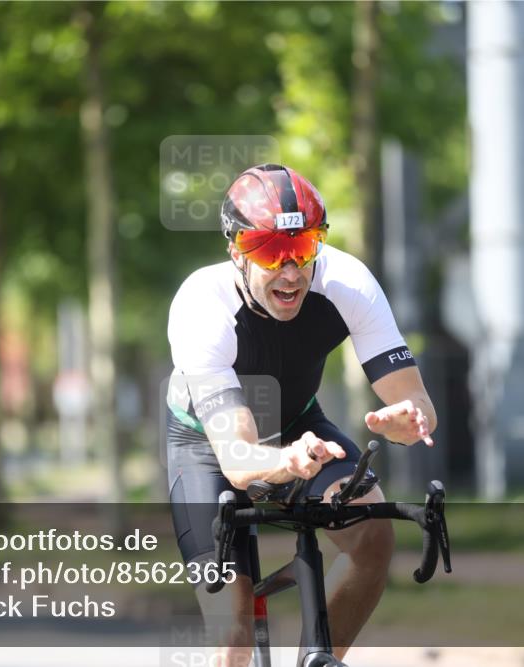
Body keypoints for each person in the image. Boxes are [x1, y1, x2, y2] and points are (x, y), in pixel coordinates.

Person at [166, 164, 437, 666]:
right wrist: (287, 461)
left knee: (373, 535)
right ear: (236, 250)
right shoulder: (203, 306)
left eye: (305, 247)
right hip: (207, 446)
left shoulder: (348, 282)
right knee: (232, 640)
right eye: (270, 251)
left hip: (298, 425)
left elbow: (417, 402)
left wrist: (410, 418)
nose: (291, 271)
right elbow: (238, 460)